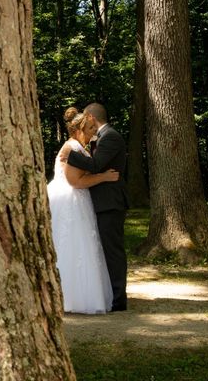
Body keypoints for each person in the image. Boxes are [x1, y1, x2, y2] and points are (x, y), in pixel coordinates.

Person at [47, 107, 119, 314]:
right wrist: (104, 177)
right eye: (89, 129)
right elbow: (75, 181)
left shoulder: (79, 147)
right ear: (78, 129)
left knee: (82, 246)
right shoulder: (72, 149)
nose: (92, 133)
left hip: (78, 201)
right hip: (69, 200)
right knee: (72, 245)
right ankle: (70, 296)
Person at [63, 103, 129, 312]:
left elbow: (96, 164)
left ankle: (118, 300)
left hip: (110, 202)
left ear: (90, 116)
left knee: (113, 251)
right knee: (105, 250)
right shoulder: (94, 139)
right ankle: (111, 295)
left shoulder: (109, 136)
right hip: (99, 202)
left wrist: (70, 154)